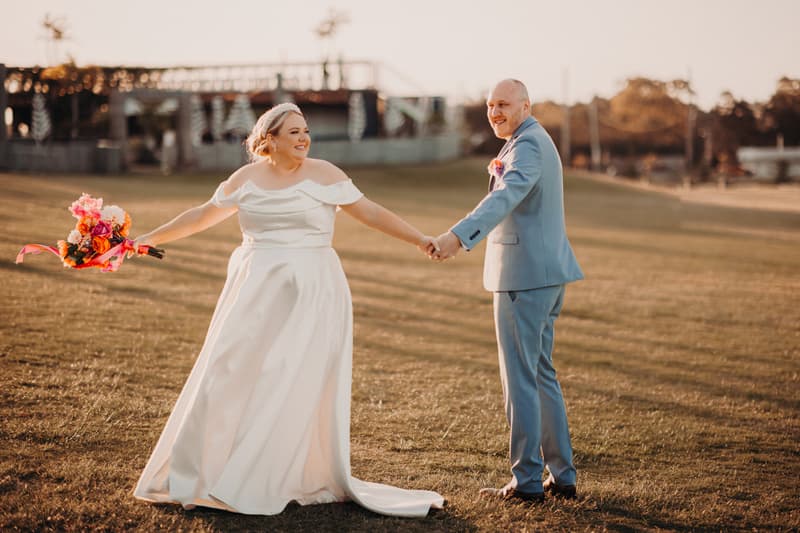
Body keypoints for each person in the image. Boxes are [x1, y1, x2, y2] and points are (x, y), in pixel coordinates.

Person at [132, 102, 444, 517]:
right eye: (293, 132)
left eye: (306, 130)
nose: (303, 138)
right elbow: (202, 216)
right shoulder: (245, 178)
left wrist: (419, 238)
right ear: (269, 139)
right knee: (228, 371)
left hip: (311, 289)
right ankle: (207, 472)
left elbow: (369, 212)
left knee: (287, 375)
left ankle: (266, 476)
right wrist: (143, 239)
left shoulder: (326, 174)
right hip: (253, 289)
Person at [430, 79, 584, 503]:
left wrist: (457, 236)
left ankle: (528, 480)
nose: (495, 111)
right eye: (489, 105)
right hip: (544, 274)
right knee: (540, 374)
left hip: (525, 278)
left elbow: (506, 196)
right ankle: (562, 475)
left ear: (526, 105)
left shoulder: (528, 145)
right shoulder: (527, 140)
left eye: (503, 104)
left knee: (521, 380)